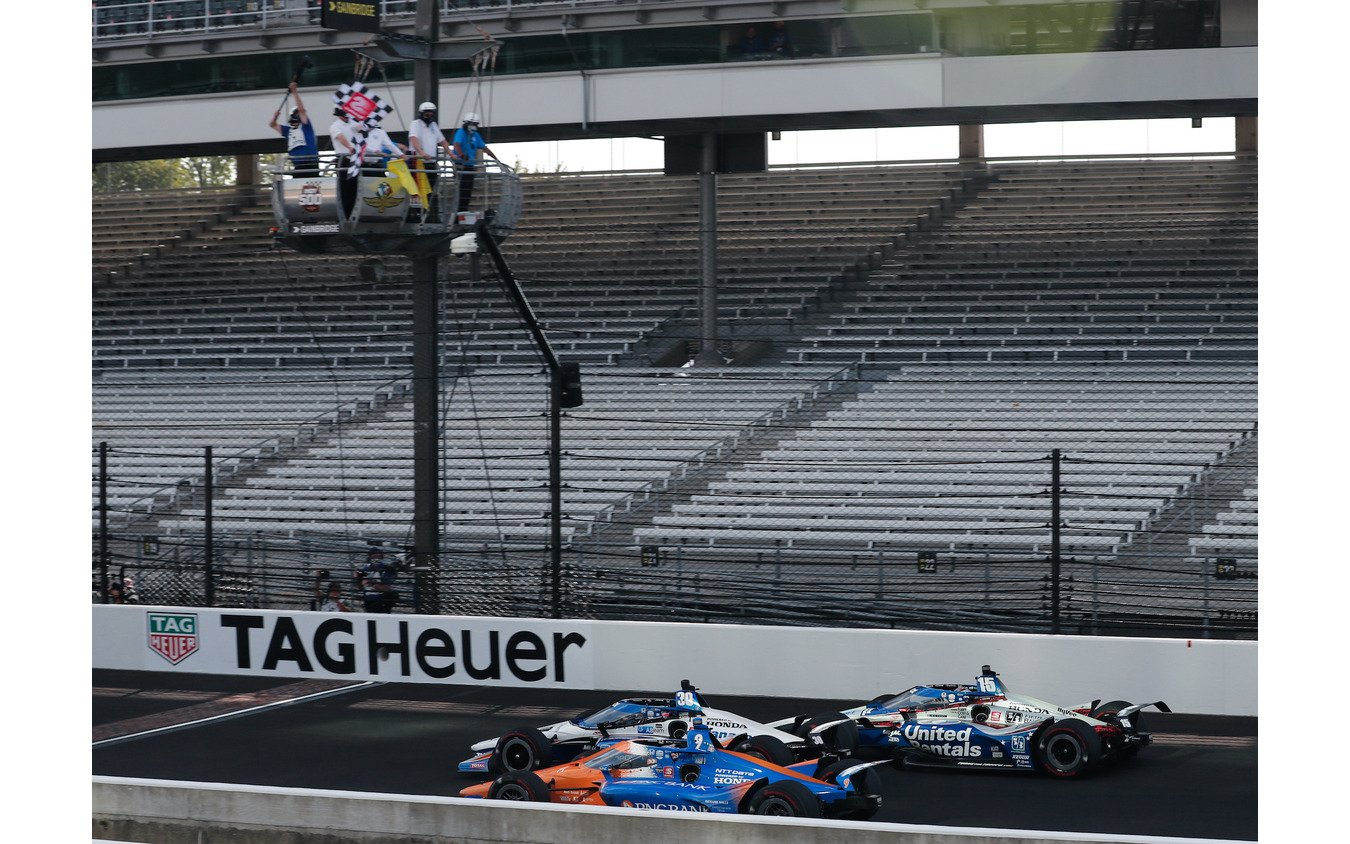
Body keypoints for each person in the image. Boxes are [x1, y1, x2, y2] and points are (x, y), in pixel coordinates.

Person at [408, 102, 454, 221]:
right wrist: (422, 152)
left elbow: (442, 140)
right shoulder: (415, 124)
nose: (429, 116)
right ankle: (417, 215)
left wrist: (450, 152)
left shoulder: (433, 125)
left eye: (431, 113)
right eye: (427, 113)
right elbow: (414, 139)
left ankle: (432, 215)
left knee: (432, 190)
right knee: (419, 189)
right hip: (419, 163)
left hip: (431, 163)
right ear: (421, 114)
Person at [452, 111, 501, 214]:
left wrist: (496, 159)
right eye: (471, 124)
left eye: (475, 125)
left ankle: (464, 210)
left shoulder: (476, 135)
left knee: (468, 190)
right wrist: (461, 155)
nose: (473, 127)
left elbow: (484, 148)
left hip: (470, 166)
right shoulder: (461, 132)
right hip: (461, 165)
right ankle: (459, 211)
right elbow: (456, 145)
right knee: (462, 189)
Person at [268, 82, 318, 177]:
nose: (299, 114)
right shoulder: (288, 131)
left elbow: (302, 110)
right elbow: (272, 125)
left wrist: (294, 92)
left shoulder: (306, 126)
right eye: (297, 114)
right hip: (297, 165)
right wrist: (275, 117)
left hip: (310, 163)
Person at [329, 107, 359, 216]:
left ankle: (353, 213)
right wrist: (350, 147)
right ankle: (344, 214)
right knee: (344, 189)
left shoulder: (352, 123)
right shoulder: (335, 126)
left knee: (355, 188)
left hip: (354, 160)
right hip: (343, 160)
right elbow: (341, 138)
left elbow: (361, 128)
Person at [357, 548, 399, 613]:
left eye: (378, 556)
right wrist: (357, 579)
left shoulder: (386, 569)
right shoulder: (366, 568)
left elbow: (387, 588)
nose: (376, 559)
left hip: (382, 601)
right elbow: (360, 587)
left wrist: (371, 583)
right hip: (368, 601)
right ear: (369, 557)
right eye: (374, 557)